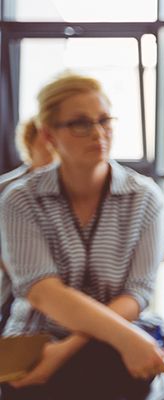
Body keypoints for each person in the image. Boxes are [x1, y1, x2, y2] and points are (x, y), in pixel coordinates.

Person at [0, 73, 164, 399]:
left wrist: (67, 349)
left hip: (115, 343)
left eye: (104, 120)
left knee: (111, 368)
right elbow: (43, 293)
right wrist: (124, 339)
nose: (98, 133)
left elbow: (137, 293)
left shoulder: (145, 198)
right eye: (80, 123)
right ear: (49, 134)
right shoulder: (19, 199)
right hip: (36, 337)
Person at [0, 118, 56, 332]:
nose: (52, 152)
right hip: (13, 290)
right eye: (46, 145)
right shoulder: (7, 189)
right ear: (30, 146)